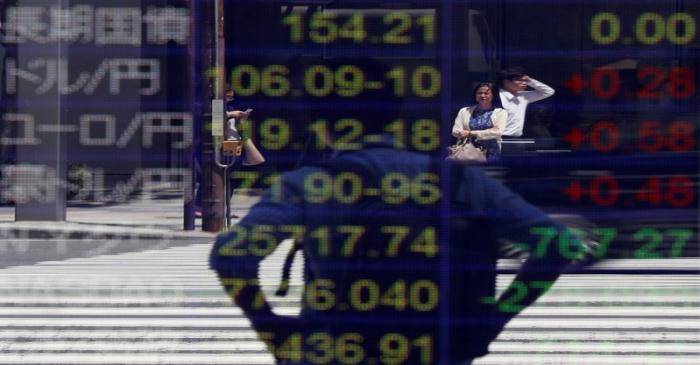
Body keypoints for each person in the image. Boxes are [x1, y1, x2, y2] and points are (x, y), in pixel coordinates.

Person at [209, 135, 582, 364]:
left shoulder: (311, 184)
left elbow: (229, 256)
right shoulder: (462, 182)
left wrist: (273, 331)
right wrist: (494, 319)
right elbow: (559, 243)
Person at [452, 82, 507, 161]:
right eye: (479, 93)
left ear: (493, 95)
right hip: (468, 152)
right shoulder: (464, 111)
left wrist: (470, 133)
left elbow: (498, 132)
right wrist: (461, 133)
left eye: (486, 93)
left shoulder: (501, 112)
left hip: (491, 153)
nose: (482, 95)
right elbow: (455, 131)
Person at [498, 66, 555, 138]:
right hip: (498, 137)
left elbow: (549, 92)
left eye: (525, 81)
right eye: (519, 80)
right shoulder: (496, 96)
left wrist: (530, 80)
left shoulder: (523, 96)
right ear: (506, 82)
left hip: (517, 138)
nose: (524, 83)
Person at [224, 86, 265, 166]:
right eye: (227, 97)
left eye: (230, 98)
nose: (228, 100)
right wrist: (230, 114)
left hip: (230, 155)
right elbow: (211, 117)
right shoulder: (209, 109)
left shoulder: (230, 109)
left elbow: (257, 160)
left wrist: (242, 130)